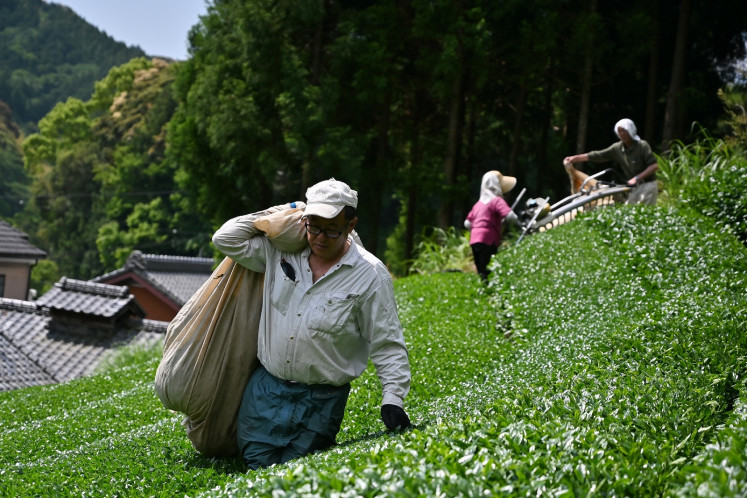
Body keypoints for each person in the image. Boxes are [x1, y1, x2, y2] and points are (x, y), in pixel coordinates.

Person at [212, 178, 412, 469]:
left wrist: (393, 398)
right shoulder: (279, 251)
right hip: (266, 393)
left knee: (298, 478)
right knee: (255, 475)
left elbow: (387, 342)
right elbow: (225, 238)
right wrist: (282, 213)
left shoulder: (370, 275)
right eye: (313, 227)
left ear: (351, 225)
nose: (320, 238)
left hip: (321, 402)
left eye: (332, 230)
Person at [564, 118, 659, 205]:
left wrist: (636, 178)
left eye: (624, 131)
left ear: (631, 131)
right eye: (619, 131)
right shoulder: (617, 148)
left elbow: (654, 166)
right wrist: (575, 158)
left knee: (644, 213)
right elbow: (599, 155)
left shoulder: (642, 146)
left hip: (647, 185)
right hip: (633, 188)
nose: (622, 134)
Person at [464, 170, 520, 282]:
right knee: (488, 266)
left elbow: (467, 223)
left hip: (474, 240)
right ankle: (489, 289)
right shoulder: (496, 201)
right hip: (489, 239)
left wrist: (477, 228)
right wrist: (518, 223)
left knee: (480, 267)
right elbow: (509, 216)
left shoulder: (478, 205)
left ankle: (482, 287)